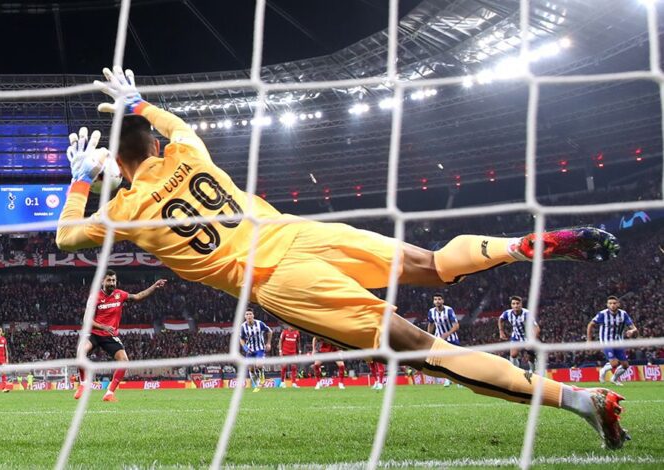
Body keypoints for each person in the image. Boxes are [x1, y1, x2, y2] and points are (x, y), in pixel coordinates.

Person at [56, 66, 628, 449]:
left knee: (430, 351)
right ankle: (515, 247)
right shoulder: (188, 151)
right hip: (300, 233)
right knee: (431, 264)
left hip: (281, 280)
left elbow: (64, 238)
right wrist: (138, 104)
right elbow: (173, 125)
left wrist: (80, 182)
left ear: (117, 171)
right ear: (155, 145)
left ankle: (582, 400)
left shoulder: (123, 214)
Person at [74, 270, 167, 402]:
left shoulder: (120, 294)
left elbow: (138, 296)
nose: (112, 283)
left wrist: (154, 286)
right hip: (94, 333)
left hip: (109, 335)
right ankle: (83, 385)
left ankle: (109, 393)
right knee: (80, 352)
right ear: (102, 281)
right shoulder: (94, 297)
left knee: (124, 361)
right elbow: (86, 320)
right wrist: (103, 326)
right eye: (109, 280)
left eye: (113, 280)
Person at [587, 296, 638, 386]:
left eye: (614, 303)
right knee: (614, 363)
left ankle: (614, 378)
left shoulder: (623, 314)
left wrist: (632, 331)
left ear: (618, 304)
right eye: (610, 303)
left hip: (619, 342)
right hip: (606, 342)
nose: (612, 305)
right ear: (607, 305)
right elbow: (590, 324)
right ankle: (603, 370)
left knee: (625, 366)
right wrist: (589, 340)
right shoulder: (602, 314)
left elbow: (634, 328)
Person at [499, 296, 539, 373]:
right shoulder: (507, 313)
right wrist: (501, 331)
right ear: (511, 305)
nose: (516, 305)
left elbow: (537, 328)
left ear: (521, 305)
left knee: (531, 356)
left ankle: (533, 371)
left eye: (517, 303)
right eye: (513, 304)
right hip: (516, 336)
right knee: (513, 355)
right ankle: (515, 372)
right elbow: (500, 319)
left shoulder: (527, 314)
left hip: (528, 337)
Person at [427, 293, 459, 387]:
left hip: (452, 338)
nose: (437, 301)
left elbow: (456, 326)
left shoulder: (449, 310)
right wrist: (429, 335)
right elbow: (431, 324)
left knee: (455, 360)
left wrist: (447, 334)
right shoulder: (431, 311)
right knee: (443, 359)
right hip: (439, 339)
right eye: (435, 299)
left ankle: (458, 381)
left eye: (439, 299)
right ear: (433, 301)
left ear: (443, 301)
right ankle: (447, 379)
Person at [239, 309, 272, 392]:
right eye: (247, 314)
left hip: (259, 349)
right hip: (250, 350)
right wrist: (245, 348)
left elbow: (269, 331)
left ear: (253, 315)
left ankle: (262, 379)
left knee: (259, 364)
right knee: (251, 369)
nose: (249, 316)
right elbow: (241, 339)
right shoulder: (243, 326)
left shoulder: (259, 323)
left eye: (250, 314)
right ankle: (257, 385)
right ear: (245, 316)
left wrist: (268, 343)